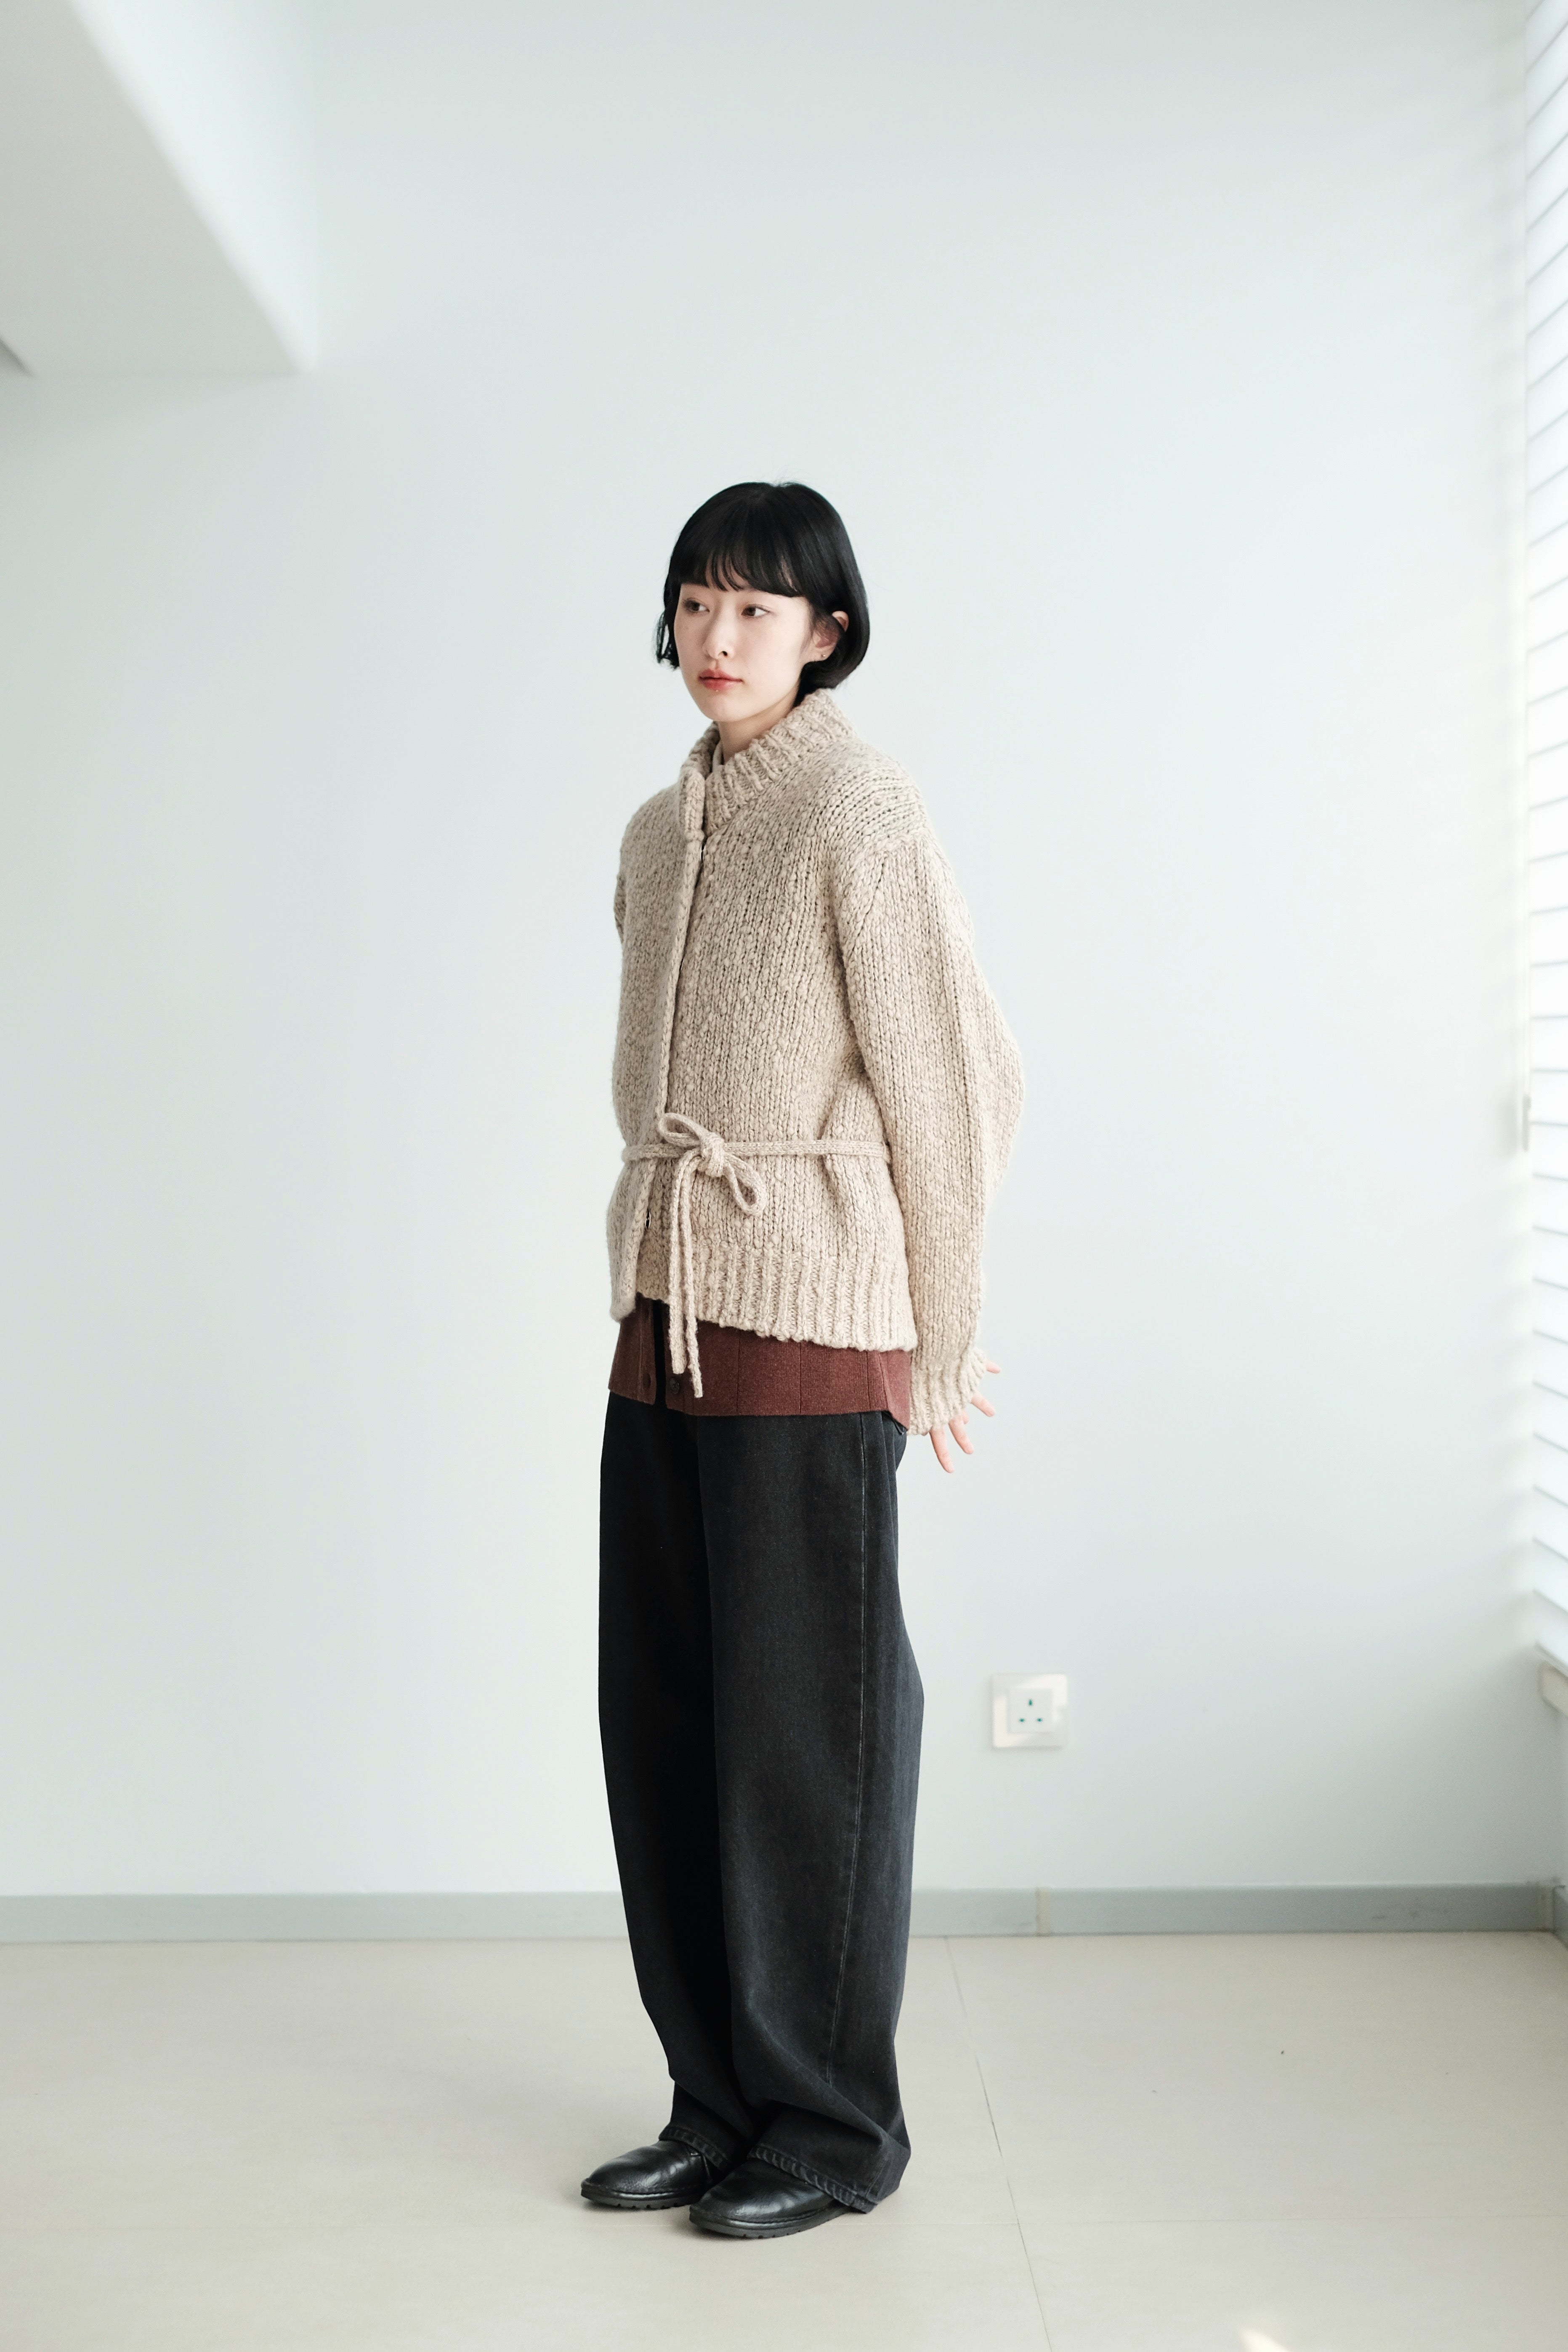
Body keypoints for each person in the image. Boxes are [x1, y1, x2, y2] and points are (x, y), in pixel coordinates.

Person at [581, 481, 1022, 2239]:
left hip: (816, 1319)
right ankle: (715, 2101)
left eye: (756, 608)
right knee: (665, 1721)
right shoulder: (655, 828)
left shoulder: (859, 805)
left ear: (824, 632)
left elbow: (954, 1079)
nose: (718, 636)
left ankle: (830, 2127)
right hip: (664, 1318)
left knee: (805, 1738)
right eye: (697, 600)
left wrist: (944, 1327)